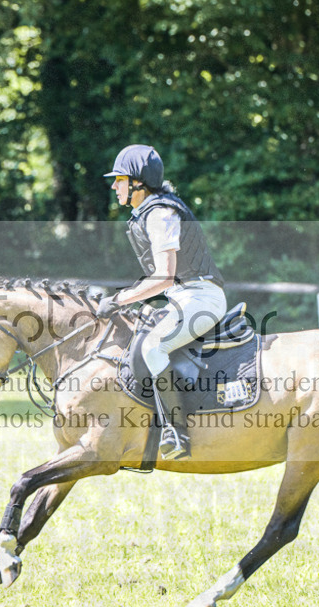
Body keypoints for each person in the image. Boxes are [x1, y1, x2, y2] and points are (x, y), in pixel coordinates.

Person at [95, 144, 227, 460]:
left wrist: (119, 299)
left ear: (138, 182)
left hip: (202, 297)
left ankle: (178, 433)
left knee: (153, 347)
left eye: (120, 179)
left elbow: (164, 277)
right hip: (183, 296)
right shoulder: (147, 213)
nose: (114, 186)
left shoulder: (160, 214)